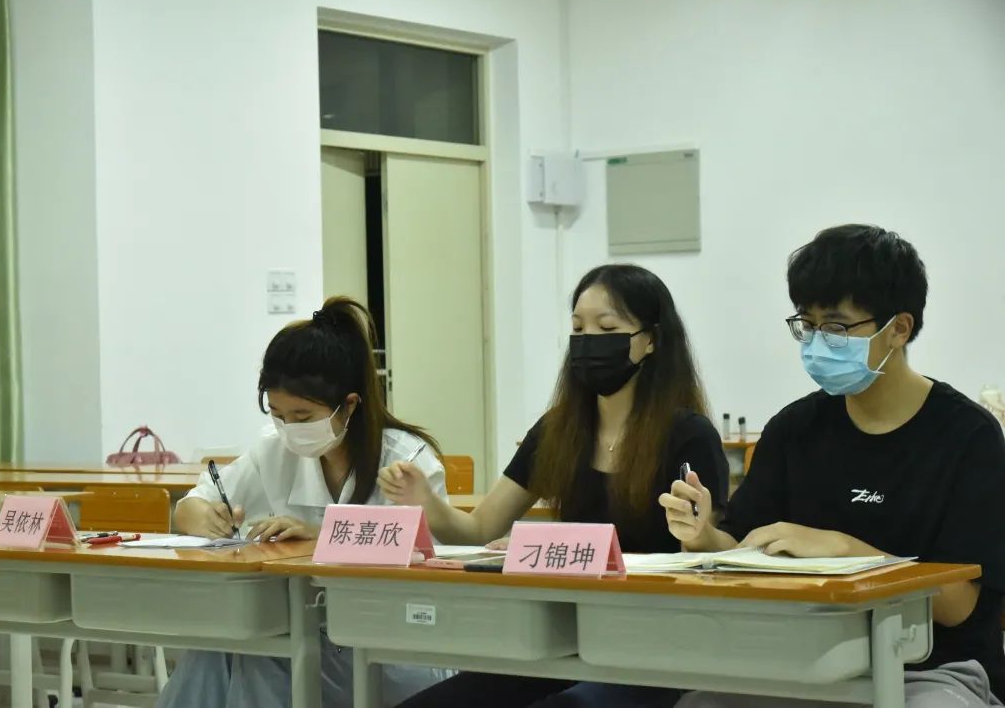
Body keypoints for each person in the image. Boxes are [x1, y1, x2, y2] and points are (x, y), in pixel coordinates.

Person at [662, 224, 1005, 708]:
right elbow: (744, 549)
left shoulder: (968, 436)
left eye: (838, 327)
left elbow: (959, 605)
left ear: (899, 329)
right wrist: (702, 537)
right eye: (808, 324)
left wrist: (847, 551)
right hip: (805, 666)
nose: (818, 342)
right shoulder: (793, 429)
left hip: (930, 673)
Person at [380, 264, 729, 708]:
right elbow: (479, 529)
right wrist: (427, 503)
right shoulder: (556, 430)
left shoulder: (688, 435)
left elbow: (713, 554)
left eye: (607, 328)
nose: (587, 341)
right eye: (578, 328)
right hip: (564, 638)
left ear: (651, 340)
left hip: (656, 644)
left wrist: (698, 534)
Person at [156, 297, 453, 708]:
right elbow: (193, 504)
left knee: (263, 651)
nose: (288, 429)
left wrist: (319, 537)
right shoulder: (272, 450)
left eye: (303, 416)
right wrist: (203, 516)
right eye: (277, 414)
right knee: (222, 641)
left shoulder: (408, 460)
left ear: (350, 405)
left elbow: (427, 558)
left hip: (395, 645)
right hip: (313, 634)